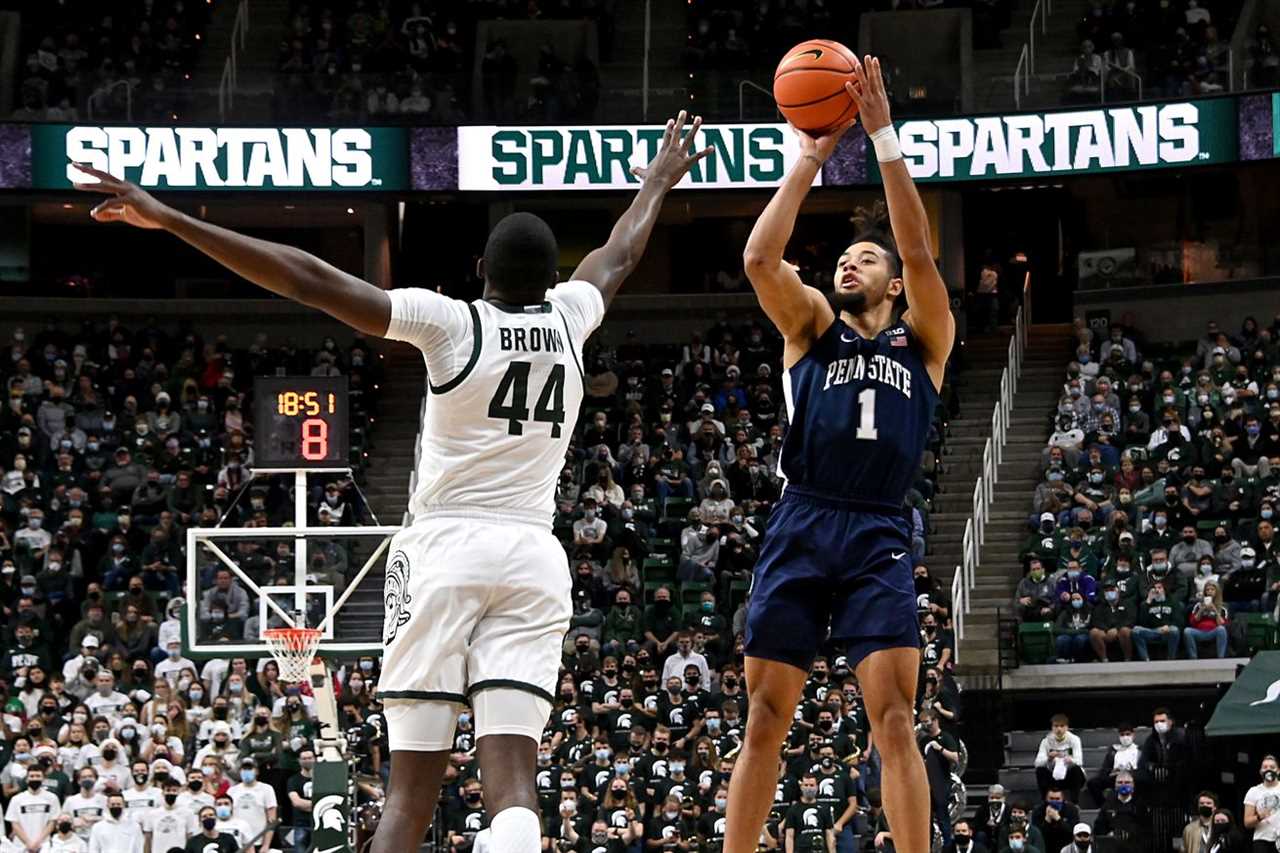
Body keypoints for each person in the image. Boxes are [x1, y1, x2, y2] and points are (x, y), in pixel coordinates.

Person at [75, 112, 712, 853]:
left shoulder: (452, 324)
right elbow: (622, 251)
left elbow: (308, 277)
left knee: (409, 797)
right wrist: (658, 180)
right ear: (551, 278)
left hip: (446, 547)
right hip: (536, 556)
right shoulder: (574, 317)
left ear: (481, 268)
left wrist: (173, 219)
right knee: (515, 788)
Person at [726, 56, 953, 853]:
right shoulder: (811, 326)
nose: (849, 262)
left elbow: (920, 254)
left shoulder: (923, 338)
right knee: (765, 713)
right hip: (802, 515)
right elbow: (760, 260)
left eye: (866, 259)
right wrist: (812, 156)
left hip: (877, 529)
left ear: (892, 286)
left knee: (894, 714)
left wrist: (884, 139)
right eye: (844, 258)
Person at [1243, 755, 1280, 852]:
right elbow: (1247, 823)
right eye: (1265, 767)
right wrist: (1260, 816)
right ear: (1260, 771)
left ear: (1278, 771)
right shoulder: (1253, 791)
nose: (1268, 769)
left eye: (1272, 767)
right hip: (1262, 840)